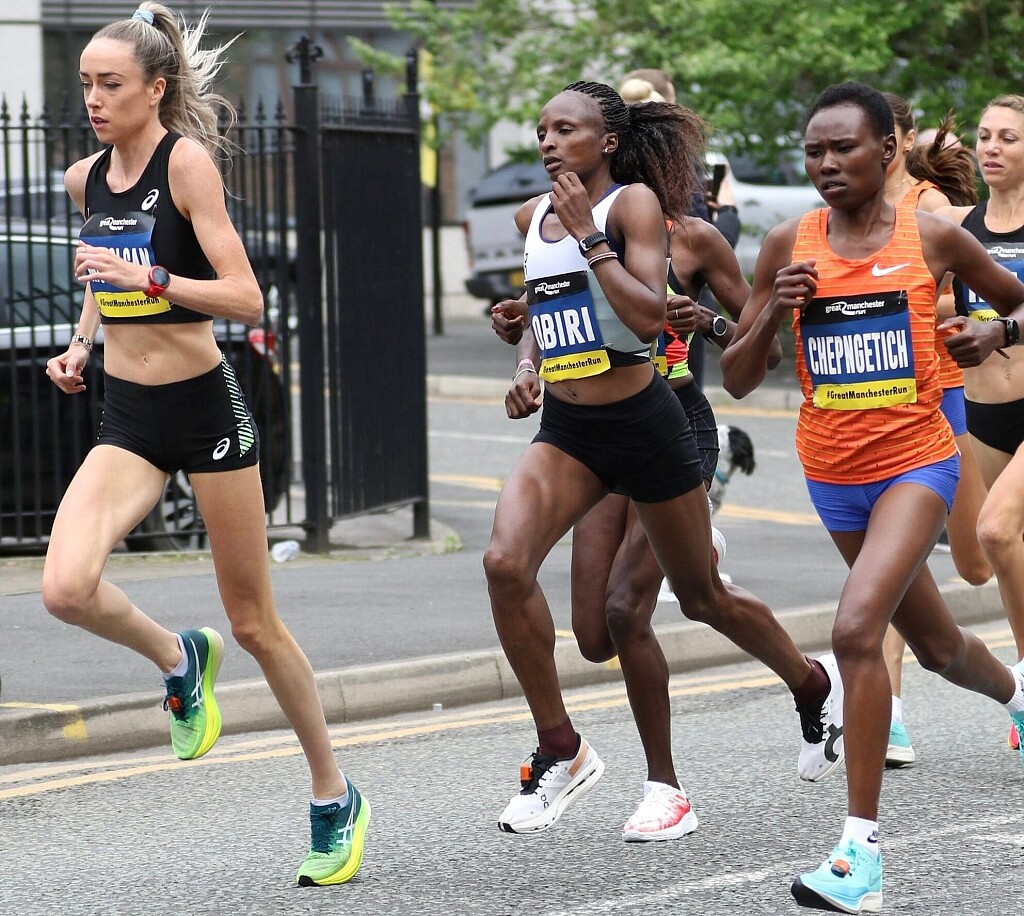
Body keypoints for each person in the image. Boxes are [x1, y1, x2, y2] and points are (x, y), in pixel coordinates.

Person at [41, 2, 368, 887]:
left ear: (155, 88)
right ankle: (178, 658)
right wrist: (80, 342)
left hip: (205, 408)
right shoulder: (85, 180)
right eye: (85, 85)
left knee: (255, 623)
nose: (93, 99)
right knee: (65, 588)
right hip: (129, 415)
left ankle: (333, 793)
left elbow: (246, 296)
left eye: (110, 85)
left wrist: (150, 277)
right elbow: (100, 269)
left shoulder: (185, 164)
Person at [482, 80, 843, 839]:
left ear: (608, 142)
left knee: (685, 600)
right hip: (571, 432)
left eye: (566, 130)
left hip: (653, 425)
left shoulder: (632, 207)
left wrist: (591, 239)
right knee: (510, 569)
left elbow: (648, 318)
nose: (548, 142)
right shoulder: (531, 217)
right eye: (542, 130)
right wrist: (523, 357)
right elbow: (549, 306)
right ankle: (561, 747)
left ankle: (781, 707)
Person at [720, 80, 1024, 914]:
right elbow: (738, 378)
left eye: (842, 148)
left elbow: (1014, 303)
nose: (825, 163)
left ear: (887, 150)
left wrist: (996, 332)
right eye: (813, 151)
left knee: (857, 630)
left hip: (918, 464)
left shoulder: (935, 236)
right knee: (933, 643)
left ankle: (861, 858)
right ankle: (1019, 696)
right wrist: (772, 315)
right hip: (832, 475)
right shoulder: (787, 244)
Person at [878, 94, 990, 769]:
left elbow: (973, 292)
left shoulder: (932, 208)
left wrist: (908, 302)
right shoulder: (842, 215)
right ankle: (888, 713)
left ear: (901, 139)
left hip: (946, 393)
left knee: (979, 561)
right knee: (894, 565)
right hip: (882, 406)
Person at [938, 93, 1024, 753]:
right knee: (987, 555)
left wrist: (1001, 329)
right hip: (982, 414)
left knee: (997, 531)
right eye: (986, 136)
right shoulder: (957, 227)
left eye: (1009, 138)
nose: (992, 147)